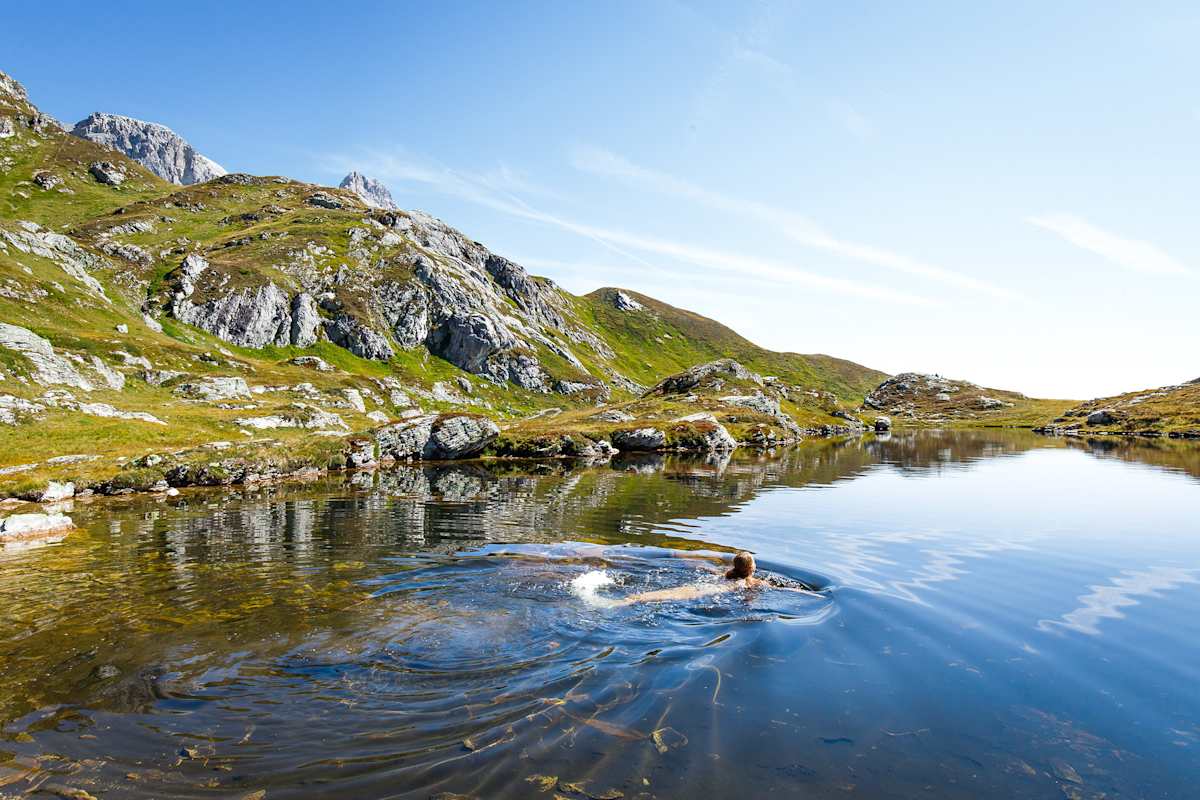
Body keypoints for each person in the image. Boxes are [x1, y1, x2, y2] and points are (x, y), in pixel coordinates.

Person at [615, 551, 812, 606]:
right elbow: (784, 590)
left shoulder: (725, 574)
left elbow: (705, 569)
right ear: (752, 568)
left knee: (669, 594)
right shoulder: (752, 582)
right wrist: (811, 594)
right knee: (672, 596)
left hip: (708, 586)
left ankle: (629, 599)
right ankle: (627, 601)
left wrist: (682, 557)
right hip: (717, 592)